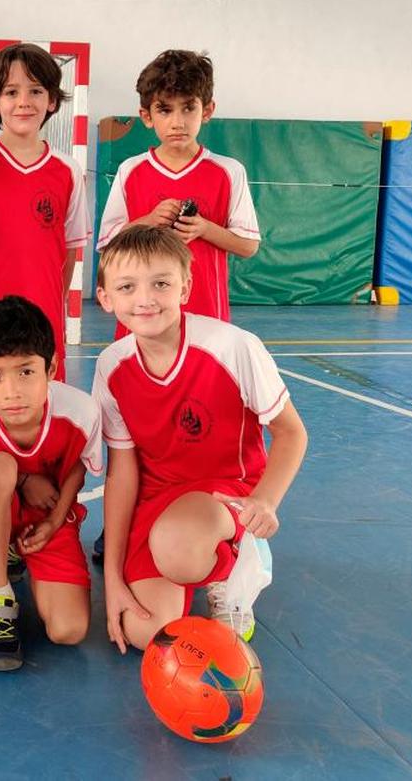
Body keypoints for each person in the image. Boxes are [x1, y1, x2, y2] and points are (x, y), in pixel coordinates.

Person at [92, 226, 306, 649]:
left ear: (185, 287)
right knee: (145, 634)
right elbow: (122, 474)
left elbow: (291, 432)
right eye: (127, 287)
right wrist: (113, 579)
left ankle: (234, 562)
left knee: (180, 549)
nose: (145, 298)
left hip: (227, 492)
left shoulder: (233, 346)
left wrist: (265, 501)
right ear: (106, 298)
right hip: (159, 497)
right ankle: (190, 560)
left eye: (161, 283)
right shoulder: (111, 366)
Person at [91, 49, 262, 564]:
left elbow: (249, 244)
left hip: (205, 328)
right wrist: (148, 220)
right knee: (137, 438)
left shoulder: (227, 171)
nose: (177, 121)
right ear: (147, 116)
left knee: (203, 434)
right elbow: (107, 245)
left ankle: (221, 528)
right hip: (142, 329)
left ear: (207, 110)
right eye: (165, 110)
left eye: (188, 108)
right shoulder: (131, 170)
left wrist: (206, 229)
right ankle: (124, 528)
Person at [0, 42, 90, 565]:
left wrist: (54, 315)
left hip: (41, 329)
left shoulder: (69, 172)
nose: (22, 101)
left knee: (40, 422)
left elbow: (68, 255)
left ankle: (32, 524)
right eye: (10, 91)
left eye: (35, 90)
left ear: (52, 101)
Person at [0, 296, 102, 671]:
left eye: (26, 372)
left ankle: (21, 548)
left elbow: (78, 467)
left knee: (69, 631)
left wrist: (56, 521)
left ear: (52, 367)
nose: (11, 391)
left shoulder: (80, 412)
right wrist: (22, 478)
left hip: (47, 512)